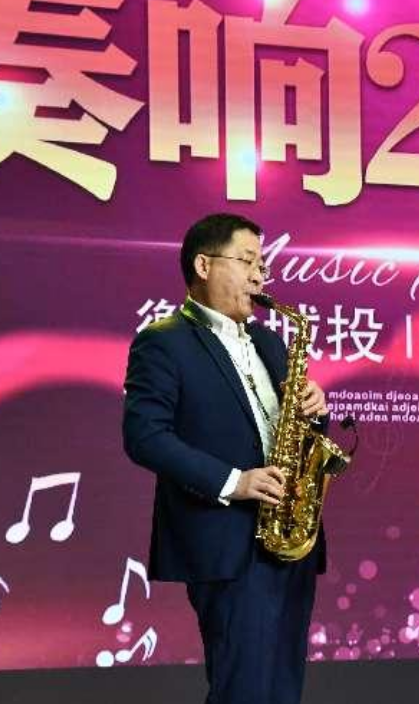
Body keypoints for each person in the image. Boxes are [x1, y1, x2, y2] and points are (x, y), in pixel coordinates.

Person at [122, 212, 330, 704]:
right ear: (204, 265)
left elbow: (297, 433)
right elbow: (143, 436)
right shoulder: (164, 341)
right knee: (244, 691)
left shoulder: (270, 342)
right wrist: (234, 482)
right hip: (229, 543)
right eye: (248, 261)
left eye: (263, 265)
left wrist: (315, 410)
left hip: (290, 538)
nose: (260, 277)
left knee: (282, 690)